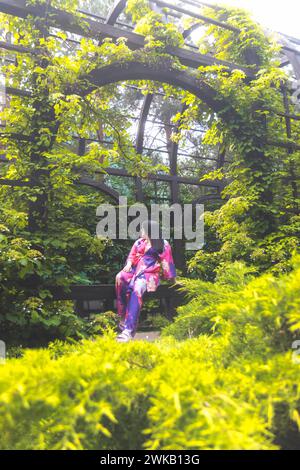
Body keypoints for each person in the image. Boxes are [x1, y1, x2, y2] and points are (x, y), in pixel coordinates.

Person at [115, 219, 176, 342]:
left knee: (136, 290)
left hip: (149, 274)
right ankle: (122, 315)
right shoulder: (139, 242)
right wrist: (128, 264)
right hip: (134, 271)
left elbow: (167, 262)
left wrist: (171, 279)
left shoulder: (163, 244)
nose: (141, 231)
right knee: (120, 278)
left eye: (143, 229)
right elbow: (131, 256)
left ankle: (128, 330)